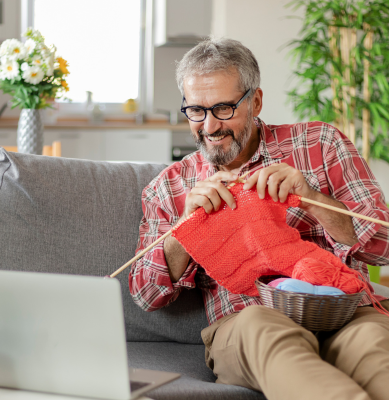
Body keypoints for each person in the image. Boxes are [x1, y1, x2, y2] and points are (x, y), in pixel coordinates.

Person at [129, 37, 389, 400]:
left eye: (223, 108)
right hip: (248, 321)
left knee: (376, 346)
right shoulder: (169, 188)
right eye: (196, 111)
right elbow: (145, 292)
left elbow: (384, 248)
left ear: (256, 102)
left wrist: (313, 200)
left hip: (345, 311)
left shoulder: (321, 143)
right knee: (261, 329)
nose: (209, 127)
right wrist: (184, 228)